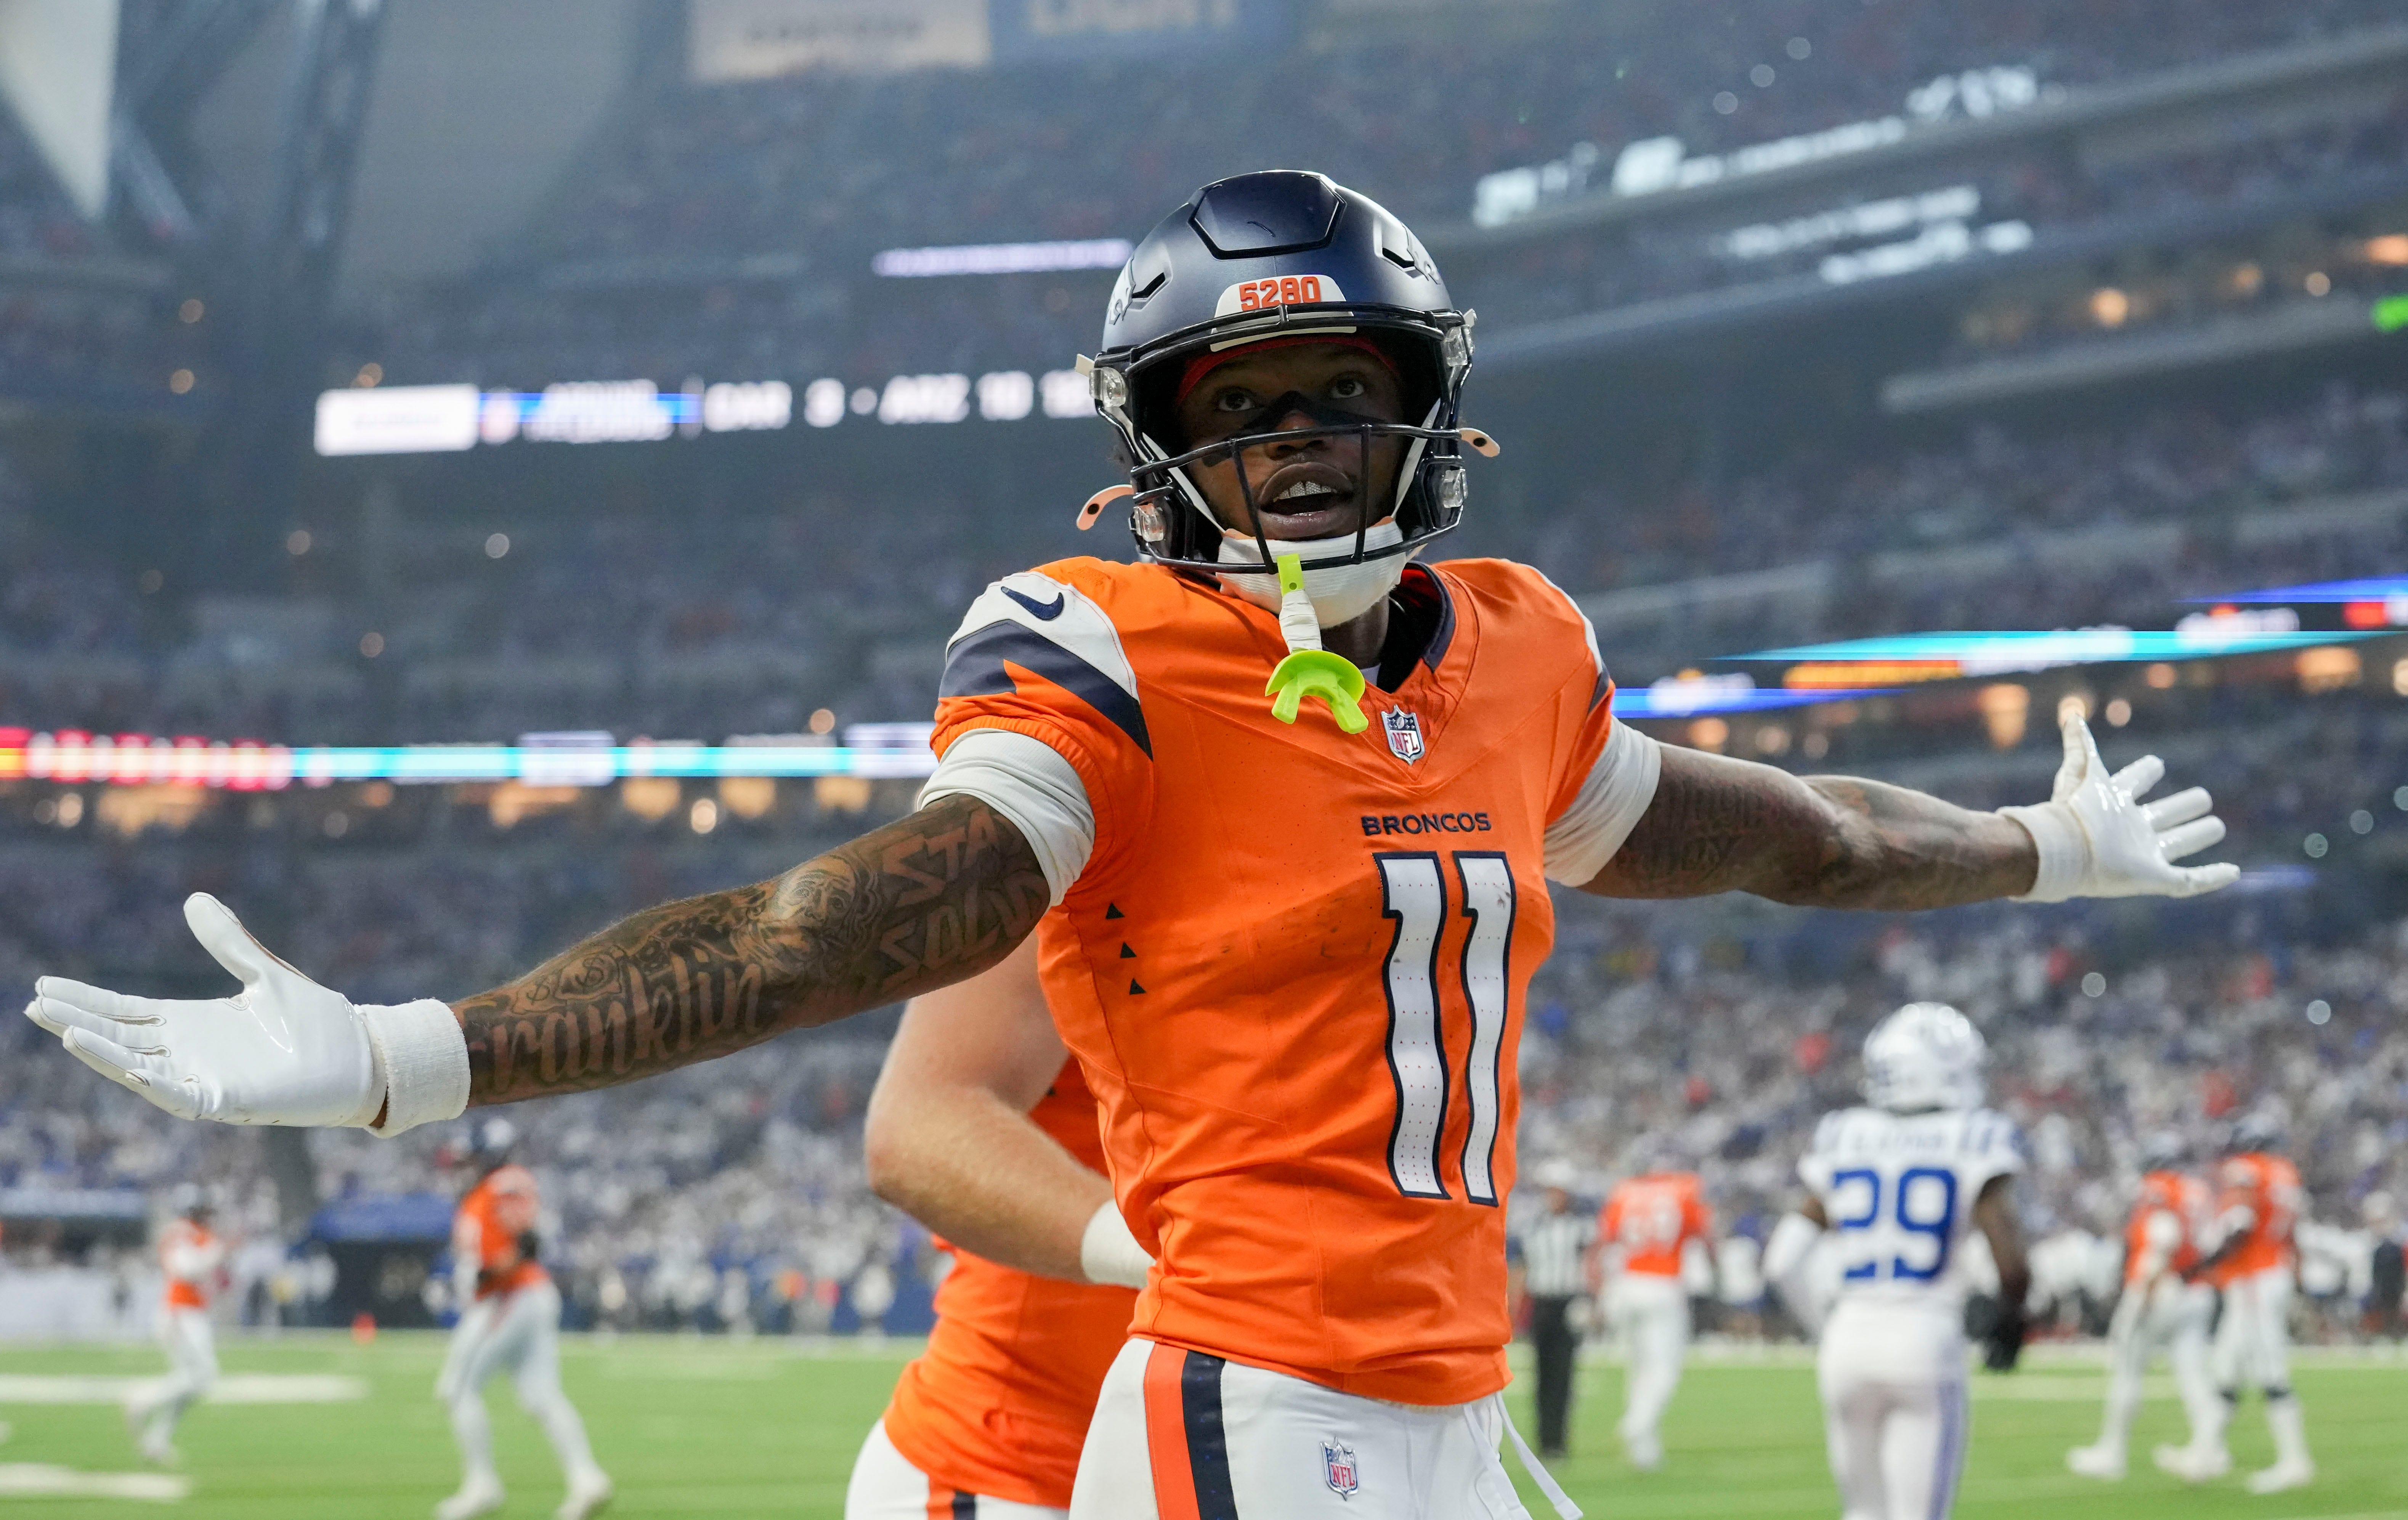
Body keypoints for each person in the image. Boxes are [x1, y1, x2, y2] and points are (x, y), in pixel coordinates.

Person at [26, 170, 2238, 1520]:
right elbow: (844, 925)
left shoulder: (1518, 650)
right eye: (1233, 410)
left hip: (1431, 1372)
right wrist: (424, 1051)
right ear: (1155, 447)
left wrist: (2030, 846)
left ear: (1427, 397)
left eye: (1335, 389)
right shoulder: (1098, 652)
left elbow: (1797, 834)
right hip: (1252, 1386)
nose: (1290, 448)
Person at [848, 936, 1149, 1518]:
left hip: (1258, 1436)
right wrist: (1182, 1251)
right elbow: (915, 1129)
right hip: (1021, 1466)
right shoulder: (1088, 861)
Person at [1764, 1004, 2029, 1520]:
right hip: (1923, 1333)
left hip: (1850, 1335)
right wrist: (2010, 1319)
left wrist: (1831, 1327)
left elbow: (1780, 1262)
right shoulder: (1972, 1134)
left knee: (1862, 1510)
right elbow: (2012, 1263)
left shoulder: (1844, 1132)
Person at [432, 1117, 611, 1520]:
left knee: (457, 1388)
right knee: (541, 1395)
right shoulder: (484, 1191)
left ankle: (482, 1484)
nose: (467, 1164)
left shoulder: (505, 1182)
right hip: (519, 1296)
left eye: (473, 1156)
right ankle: (586, 1477)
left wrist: (491, 1273)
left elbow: (527, 1242)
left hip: (509, 1296)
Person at [2159, 1112, 2312, 1493]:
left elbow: (2240, 1222)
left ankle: (2294, 1460)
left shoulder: (2247, 1168)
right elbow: (2292, 1231)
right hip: (2271, 1271)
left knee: (2269, 1369)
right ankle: (2203, 1454)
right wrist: (2297, 1274)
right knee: (2225, 1368)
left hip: (2253, 1278)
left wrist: (2202, 1264)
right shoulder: (2285, 1172)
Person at [2065, 1132, 2218, 1480]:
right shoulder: (2197, 1191)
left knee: (2127, 1370)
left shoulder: (2159, 1188)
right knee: (2193, 1374)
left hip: (2160, 1286)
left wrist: (2146, 1288)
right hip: (2195, 1288)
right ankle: (2210, 1450)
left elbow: (2163, 1237)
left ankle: (2112, 1452)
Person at [1598, 1159, 1711, 1470]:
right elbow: (1700, 1231)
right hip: (1664, 1283)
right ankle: (1637, 1422)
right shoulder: (1683, 1189)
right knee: (1664, 1369)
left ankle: (1645, 1450)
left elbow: (1607, 1236)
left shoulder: (1624, 1192)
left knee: (1638, 1369)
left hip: (1627, 1282)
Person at [125, 1185, 225, 1465]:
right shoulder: (190, 1234)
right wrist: (211, 1256)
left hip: (183, 1311)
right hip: (183, 1312)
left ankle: (156, 1441)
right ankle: (143, 1399)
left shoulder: (179, 1233)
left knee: (191, 1381)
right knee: (204, 1375)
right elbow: (186, 1270)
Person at [1506, 1161, 1593, 1463]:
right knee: (1542, 1376)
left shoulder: (1579, 1227)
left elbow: (1590, 1266)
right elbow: (1520, 1269)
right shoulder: (1533, 1227)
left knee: (1564, 1376)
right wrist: (1514, 1309)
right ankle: (1544, 1441)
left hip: (1568, 1303)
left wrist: (1592, 1302)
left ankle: (1559, 1442)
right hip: (1541, 1304)